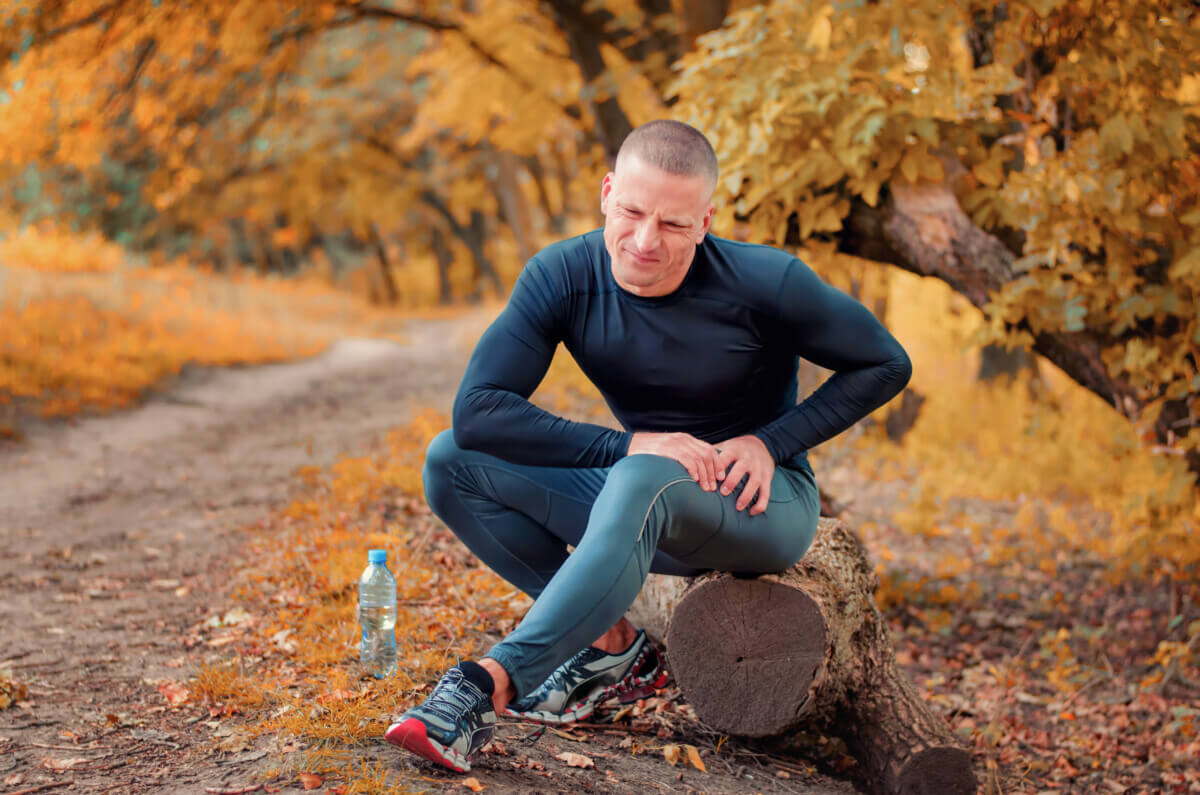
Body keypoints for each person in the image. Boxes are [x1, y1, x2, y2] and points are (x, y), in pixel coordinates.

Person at [385, 120, 912, 772]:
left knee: (641, 475)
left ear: (705, 221)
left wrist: (770, 442)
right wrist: (629, 441)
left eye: (672, 224)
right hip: (637, 496)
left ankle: (486, 684)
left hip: (757, 506)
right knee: (450, 461)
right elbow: (478, 412)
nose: (644, 240)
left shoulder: (766, 281)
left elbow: (885, 363)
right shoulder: (562, 275)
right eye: (632, 212)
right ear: (607, 192)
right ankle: (613, 644)